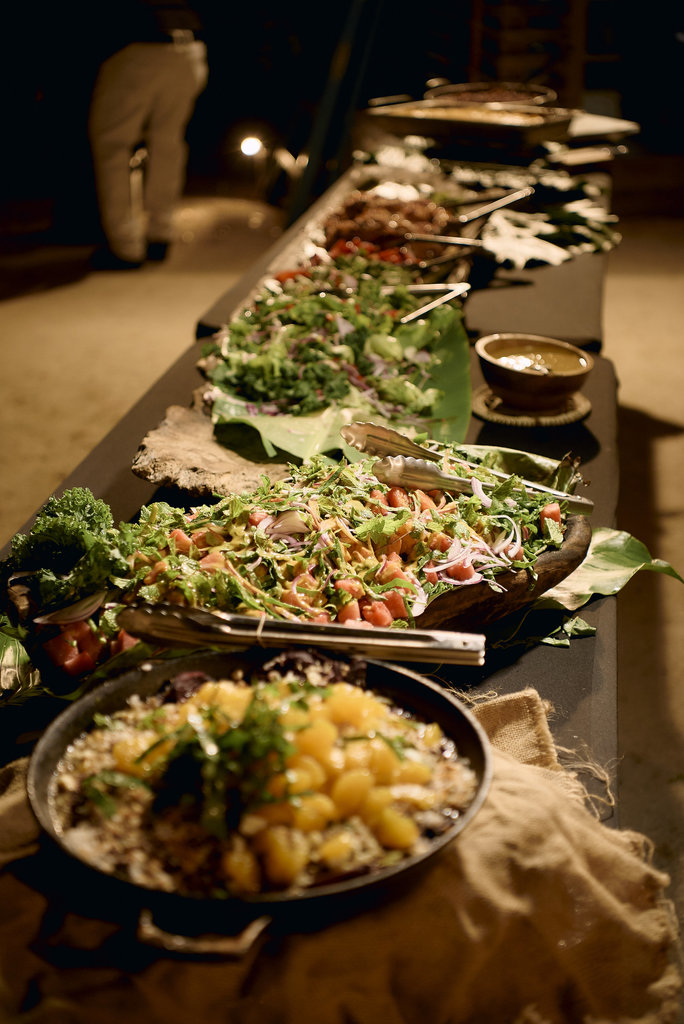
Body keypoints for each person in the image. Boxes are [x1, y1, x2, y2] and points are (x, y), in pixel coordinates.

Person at [87, 0, 208, 269]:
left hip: (139, 41)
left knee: (114, 144)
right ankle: (159, 234)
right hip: (188, 47)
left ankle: (125, 245)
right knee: (167, 143)